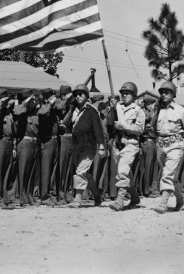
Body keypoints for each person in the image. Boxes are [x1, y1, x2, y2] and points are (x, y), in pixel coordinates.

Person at [151, 81, 184, 214]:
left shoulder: (180, 110)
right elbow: (155, 131)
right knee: (172, 177)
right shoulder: (157, 109)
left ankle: (163, 203)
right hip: (160, 145)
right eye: (162, 92)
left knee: (167, 174)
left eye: (167, 92)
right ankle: (180, 199)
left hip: (175, 145)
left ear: (173, 94)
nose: (163, 95)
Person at [107, 82, 145, 211]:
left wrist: (125, 127)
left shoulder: (138, 111)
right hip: (117, 143)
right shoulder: (117, 107)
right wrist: (112, 109)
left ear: (134, 95)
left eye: (128, 94)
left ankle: (120, 200)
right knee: (126, 174)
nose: (124, 96)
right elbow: (109, 123)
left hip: (131, 142)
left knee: (122, 171)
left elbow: (140, 129)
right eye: (123, 93)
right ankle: (134, 198)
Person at [66, 84, 103, 208]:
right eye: (76, 94)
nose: (78, 96)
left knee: (80, 171)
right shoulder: (73, 110)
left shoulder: (91, 110)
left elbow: (98, 129)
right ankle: (97, 196)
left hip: (89, 145)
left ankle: (78, 199)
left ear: (87, 96)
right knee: (85, 174)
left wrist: (101, 146)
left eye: (81, 94)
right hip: (77, 145)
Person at [13, 89, 39, 207]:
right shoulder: (21, 111)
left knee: (31, 172)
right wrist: (25, 102)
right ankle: (22, 198)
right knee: (23, 171)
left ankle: (29, 196)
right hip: (24, 142)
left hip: (34, 143)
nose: (34, 102)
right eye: (32, 99)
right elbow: (17, 111)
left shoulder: (35, 113)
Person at [37, 89, 58, 206]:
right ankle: (44, 197)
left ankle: (51, 194)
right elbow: (42, 113)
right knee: (46, 171)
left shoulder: (52, 109)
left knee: (53, 170)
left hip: (54, 140)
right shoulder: (43, 107)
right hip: (47, 140)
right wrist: (49, 103)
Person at [54, 85, 74, 206]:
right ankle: (60, 195)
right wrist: (67, 101)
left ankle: (67, 193)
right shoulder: (58, 104)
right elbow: (60, 107)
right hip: (63, 138)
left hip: (72, 138)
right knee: (61, 168)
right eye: (68, 95)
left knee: (69, 169)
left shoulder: (72, 107)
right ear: (62, 96)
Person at [138, 95, 158, 197]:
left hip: (154, 141)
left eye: (152, 104)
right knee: (147, 167)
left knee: (154, 167)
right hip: (147, 141)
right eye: (149, 104)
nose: (151, 106)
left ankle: (153, 189)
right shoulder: (143, 113)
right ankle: (146, 190)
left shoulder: (154, 112)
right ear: (146, 104)